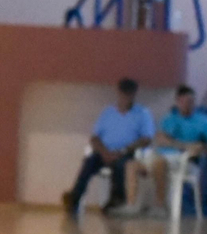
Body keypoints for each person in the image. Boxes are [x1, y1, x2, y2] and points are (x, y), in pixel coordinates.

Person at [63, 77, 155, 216]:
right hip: (105, 152)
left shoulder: (142, 113)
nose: (126, 98)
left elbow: (146, 139)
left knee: (121, 165)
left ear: (134, 94)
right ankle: (75, 197)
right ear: (119, 93)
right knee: (89, 161)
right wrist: (104, 152)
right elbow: (95, 137)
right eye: (124, 94)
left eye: (130, 94)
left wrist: (123, 151)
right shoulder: (108, 112)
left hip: (127, 153)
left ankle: (115, 201)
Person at [136, 84, 207, 218]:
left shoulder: (204, 122)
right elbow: (160, 139)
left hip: (186, 161)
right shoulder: (169, 119)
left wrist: (202, 147)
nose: (187, 105)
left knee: (159, 163)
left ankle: (159, 205)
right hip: (163, 155)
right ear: (177, 102)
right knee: (132, 165)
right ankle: (133, 205)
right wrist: (184, 145)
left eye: (191, 101)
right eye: (184, 101)